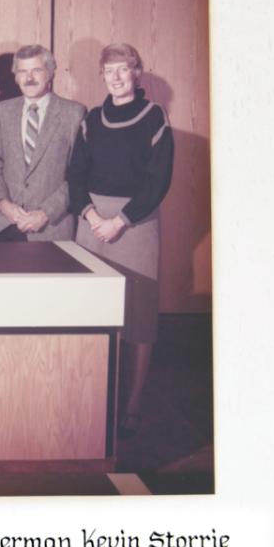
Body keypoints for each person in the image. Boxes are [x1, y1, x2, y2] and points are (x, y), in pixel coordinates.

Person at [68, 43, 174, 439]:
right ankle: (93, 398)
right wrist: (93, 216)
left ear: (137, 73)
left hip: (135, 223)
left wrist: (121, 221)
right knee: (89, 311)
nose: (115, 77)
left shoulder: (154, 118)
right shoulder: (92, 119)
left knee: (138, 314)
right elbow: (75, 175)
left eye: (123, 70)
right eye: (108, 70)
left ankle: (132, 405)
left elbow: (158, 180)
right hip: (92, 222)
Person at [0, 44, 86, 241]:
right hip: (0, 220)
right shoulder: (3, 111)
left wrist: (45, 213)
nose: (29, 78)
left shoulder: (73, 113)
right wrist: (4, 205)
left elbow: (79, 175)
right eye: (22, 72)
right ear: (16, 77)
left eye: (36, 70)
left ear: (50, 73)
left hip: (49, 225)